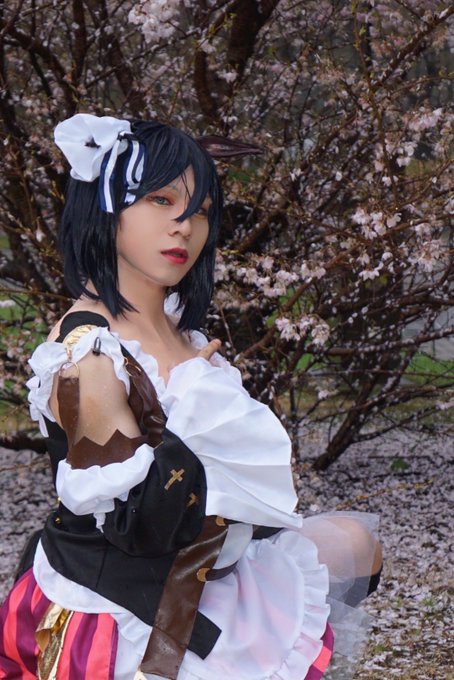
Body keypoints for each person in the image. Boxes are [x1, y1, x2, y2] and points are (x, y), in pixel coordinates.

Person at [0, 114, 382, 680]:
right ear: (106, 208)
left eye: (199, 210)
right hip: (123, 609)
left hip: (206, 567)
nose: (183, 226)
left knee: (357, 545)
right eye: (160, 200)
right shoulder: (87, 357)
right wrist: (196, 396)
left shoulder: (180, 329)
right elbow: (143, 527)